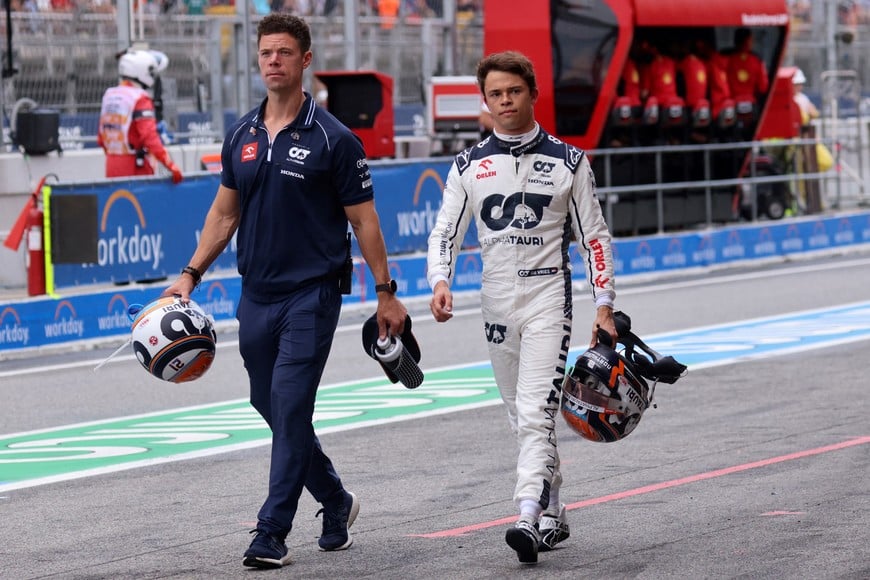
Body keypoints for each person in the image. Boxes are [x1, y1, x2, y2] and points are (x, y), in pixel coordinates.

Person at [160, 13, 408, 570]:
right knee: (268, 404)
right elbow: (224, 215)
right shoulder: (242, 135)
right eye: (266, 53)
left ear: (305, 61)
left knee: (292, 404)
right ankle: (337, 501)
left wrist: (385, 291)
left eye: (284, 53)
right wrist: (190, 274)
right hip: (257, 295)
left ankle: (271, 530)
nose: (273, 61)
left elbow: (365, 222)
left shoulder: (335, 139)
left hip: (313, 294)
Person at [426, 50, 617, 565]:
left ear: (532, 93)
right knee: (521, 415)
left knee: (535, 413)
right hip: (495, 303)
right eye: (495, 94)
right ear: (485, 101)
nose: (505, 101)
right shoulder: (469, 166)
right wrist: (440, 280)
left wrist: (604, 305)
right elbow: (446, 231)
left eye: (514, 91)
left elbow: (594, 238)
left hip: (548, 298)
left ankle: (527, 515)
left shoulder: (570, 161)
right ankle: (554, 507)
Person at [97, 49, 183, 182]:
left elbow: (101, 139)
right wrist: (170, 165)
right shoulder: (140, 98)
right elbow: (150, 138)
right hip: (135, 167)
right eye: (151, 72)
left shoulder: (109, 95)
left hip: (111, 164)